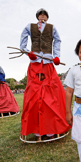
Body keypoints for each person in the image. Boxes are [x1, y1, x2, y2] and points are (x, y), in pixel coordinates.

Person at [20, 8, 71, 139]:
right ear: (37, 17)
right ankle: (37, 129)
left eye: (45, 15)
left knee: (52, 94)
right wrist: (27, 52)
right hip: (35, 62)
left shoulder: (52, 28)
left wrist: (56, 56)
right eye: (40, 15)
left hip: (48, 63)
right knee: (34, 94)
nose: (43, 16)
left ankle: (52, 127)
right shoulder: (29, 26)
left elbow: (58, 40)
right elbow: (22, 40)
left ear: (47, 17)